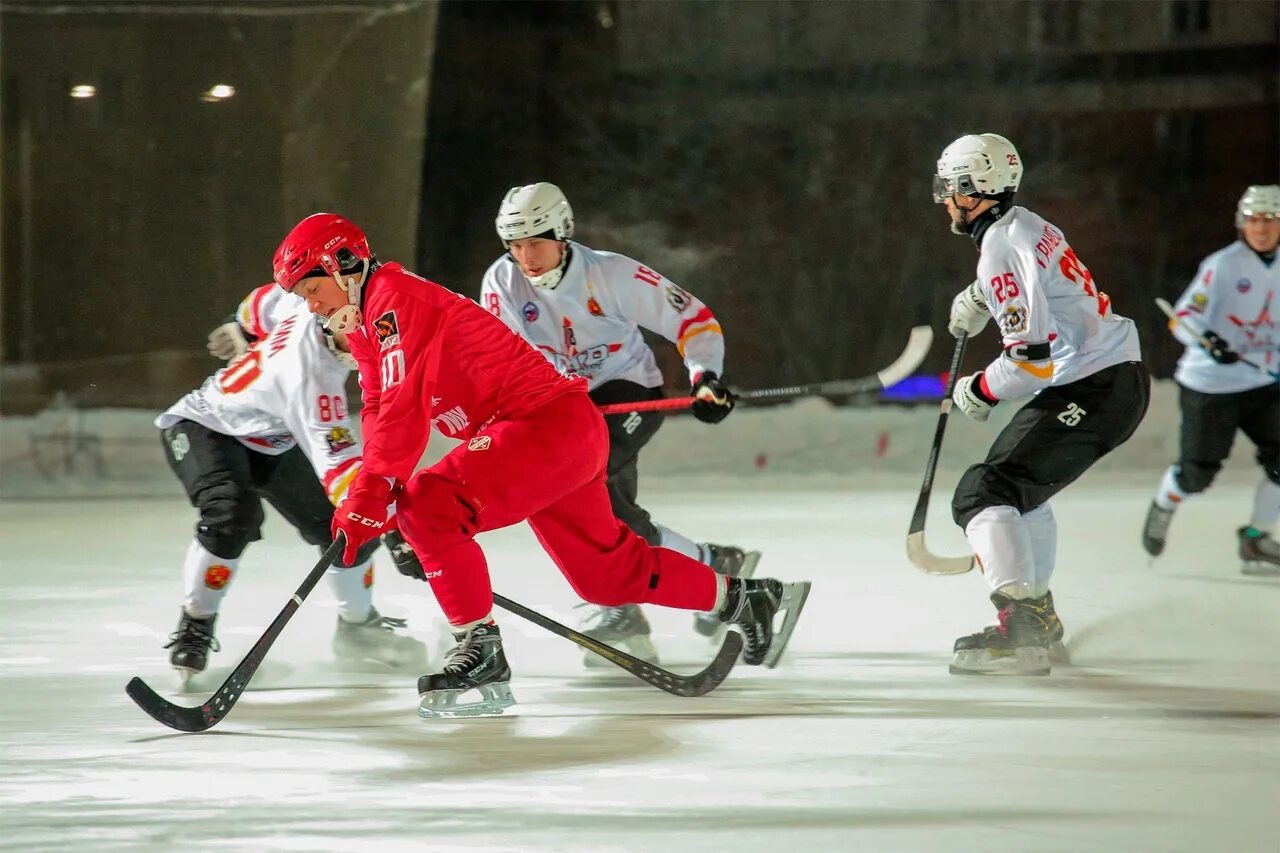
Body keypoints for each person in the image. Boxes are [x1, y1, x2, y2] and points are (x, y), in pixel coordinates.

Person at [272, 212, 809, 718]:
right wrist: (367, 502)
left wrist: (373, 499)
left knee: (429, 507)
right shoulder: (367, 324)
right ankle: (745, 599)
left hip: (541, 428)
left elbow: (404, 416)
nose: (311, 306)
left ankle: (479, 653)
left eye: (311, 290)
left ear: (343, 265)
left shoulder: (393, 300)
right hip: (556, 434)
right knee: (606, 575)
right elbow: (381, 408)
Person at [478, 182, 758, 664]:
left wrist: (706, 377)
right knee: (606, 512)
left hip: (626, 391)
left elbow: (692, 320)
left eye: (536, 242)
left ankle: (620, 606)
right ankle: (710, 565)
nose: (526, 256)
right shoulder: (501, 283)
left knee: (580, 484)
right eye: (515, 244)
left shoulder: (609, 273)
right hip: (563, 405)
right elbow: (497, 357)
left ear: (563, 233)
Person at [935, 132, 1149, 676]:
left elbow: (1028, 363)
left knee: (985, 491)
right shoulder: (1026, 222)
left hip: (1094, 384)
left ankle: (1023, 624)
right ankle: (1037, 617)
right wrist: (981, 296)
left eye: (948, 187)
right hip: (1110, 378)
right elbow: (1041, 284)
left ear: (972, 189)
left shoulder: (999, 246)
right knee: (1019, 494)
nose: (943, 199)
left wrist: (979, 388)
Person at [156, 290, 427, 686]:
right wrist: (395, 532)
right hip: (205, 426)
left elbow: (265, 300)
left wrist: (242, 324)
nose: (376, 348)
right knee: (232, 513)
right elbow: (343, 474)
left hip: (272, 438)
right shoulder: (314, 381)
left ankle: (358, 627)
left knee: (343, 527)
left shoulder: (307, 307)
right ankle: (195, 623)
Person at [1142, 185, 1280, 575]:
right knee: (1197, 474)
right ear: (1242, 224)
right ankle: (1166, 502)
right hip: (1212, 386)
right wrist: (1208, 342)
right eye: (1253, 220)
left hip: (1264, 381)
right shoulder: (1223, 265)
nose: (1262, 228)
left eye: (1269, 219)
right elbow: (1181, 318)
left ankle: (1255, 539)